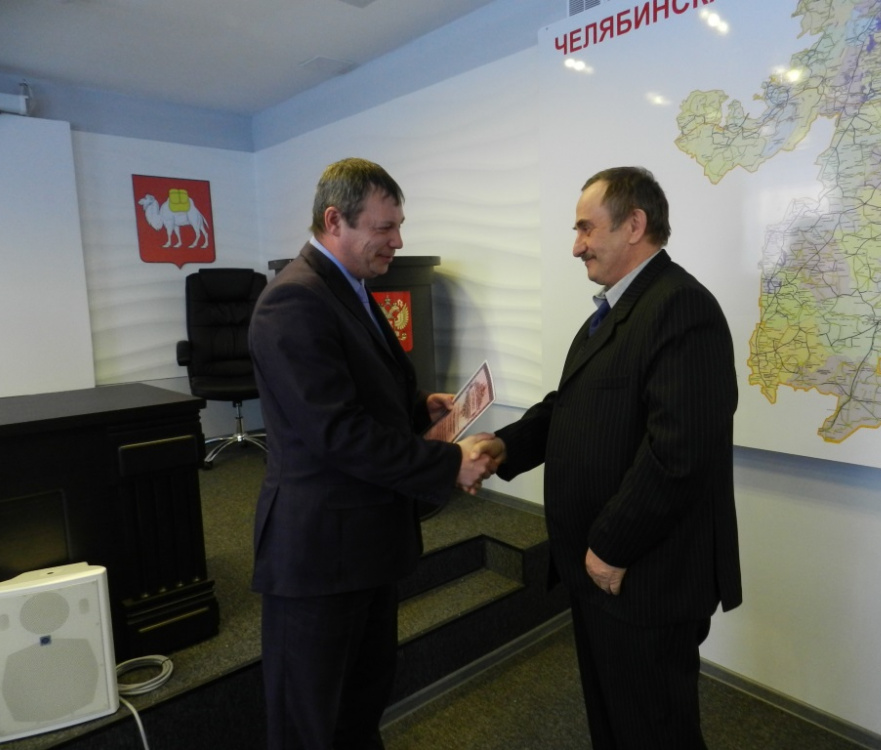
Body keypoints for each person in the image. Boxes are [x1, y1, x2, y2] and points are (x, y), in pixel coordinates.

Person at [475, 166, 742, 749]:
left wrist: (610, 549)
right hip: (602, 573)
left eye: (585, 228)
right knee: (615, 723)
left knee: (654, 731)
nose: (576, 246)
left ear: (634, 225)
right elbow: (571, 404)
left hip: (642, 577)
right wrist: (507, 445)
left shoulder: (682, 308)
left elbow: (680, 454)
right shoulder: (616, 310)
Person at [248, 157, 495, 750]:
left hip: (364, 545)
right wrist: (448, 463)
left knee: (358, 707)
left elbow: (360, 391)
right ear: (335, 220)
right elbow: (337, 432)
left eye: (399, 225)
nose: (398, 241)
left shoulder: (348, 286)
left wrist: (418, 407)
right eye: (385, 228)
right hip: (320, 556)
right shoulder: (293, 301)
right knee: (310, 723)